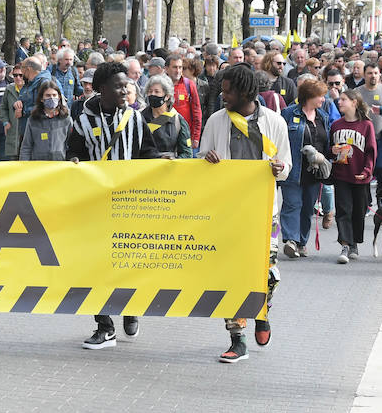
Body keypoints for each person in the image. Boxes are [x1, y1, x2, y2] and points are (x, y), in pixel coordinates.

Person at [201, 64, 291, 363]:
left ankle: (262, 310)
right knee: (231, 275)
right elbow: (201, 159)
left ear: (245, 92)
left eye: (228, 90)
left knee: (268, 273)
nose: (223, 95)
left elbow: (286, 166)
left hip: (266, 212)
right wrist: (207, 160)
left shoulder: (275, 122)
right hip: (228, 212)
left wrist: (279, 168)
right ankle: (237, 339)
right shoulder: (216, 121)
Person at [68, 61, 157, 351]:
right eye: (119, 86)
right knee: (94, 265)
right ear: (101, 89)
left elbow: (149, 153)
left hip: (129, 206)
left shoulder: (135, 118)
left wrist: (166, 164)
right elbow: (72, 153)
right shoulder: (82, 121)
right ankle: (104, 326)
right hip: (95, 206)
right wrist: (73, 162)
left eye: (127, 85)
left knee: (127, 263)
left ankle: (131, 308)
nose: (125, 90)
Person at [280, 79, 333, 259]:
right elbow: (279, 139)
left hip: (314, 171)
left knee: (307, 208)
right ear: (309, 96)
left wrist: (328, 156)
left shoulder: (323, 117)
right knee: (292, 204)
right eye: (320, 96)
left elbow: (326, 142)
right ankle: (291, 241)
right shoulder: (288, 113)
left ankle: (302, 242)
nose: (323, 100)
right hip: (293, 168)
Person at [330, 90, 377, 264]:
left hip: (360, 176)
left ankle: (354, 243)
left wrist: (367, 170)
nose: (339, 102)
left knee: (358, 211)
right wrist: (332, 151)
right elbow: (330, 148)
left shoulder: (366, 125)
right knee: (343, 211)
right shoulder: (335, 125)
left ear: (354, 102)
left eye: (343, 100)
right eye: (339, 99)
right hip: (341, 174)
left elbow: (371, 151)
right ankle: (344, 244)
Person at [20, 78, 72, 160]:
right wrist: (24, 165)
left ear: (59, 97)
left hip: (60, 164)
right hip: (39, 165)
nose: (51, 98)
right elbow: (26, 146)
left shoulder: (66, 118)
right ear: (41, 98)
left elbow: (71, 144)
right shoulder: (33, 119)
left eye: (54, 95)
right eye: (48, 95)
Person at [142, 74, 192, 159]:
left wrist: (173, 161)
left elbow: (187, 153)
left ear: (167, 96)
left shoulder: (178, 120)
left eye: (157, 92)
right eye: (150, 91)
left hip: (170, 169)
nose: (152, 94)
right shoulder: (140, 118)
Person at [165, 54, 202, 148]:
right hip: (164, 137)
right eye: (174, 67)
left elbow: (197, 112)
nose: (178, 71)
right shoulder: (159, 85)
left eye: (180, 67)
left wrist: (196, 137)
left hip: (185, 136)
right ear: (166, 68)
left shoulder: (189, 85)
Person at [0, 70, 27, 160]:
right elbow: (3, 107)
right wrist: (5, 122)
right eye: (15, 75)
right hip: (12, 131)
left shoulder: (30, 89)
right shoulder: (9, 89)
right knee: (12, 160)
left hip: (26, 131)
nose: (18, 78)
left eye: (20, 75)